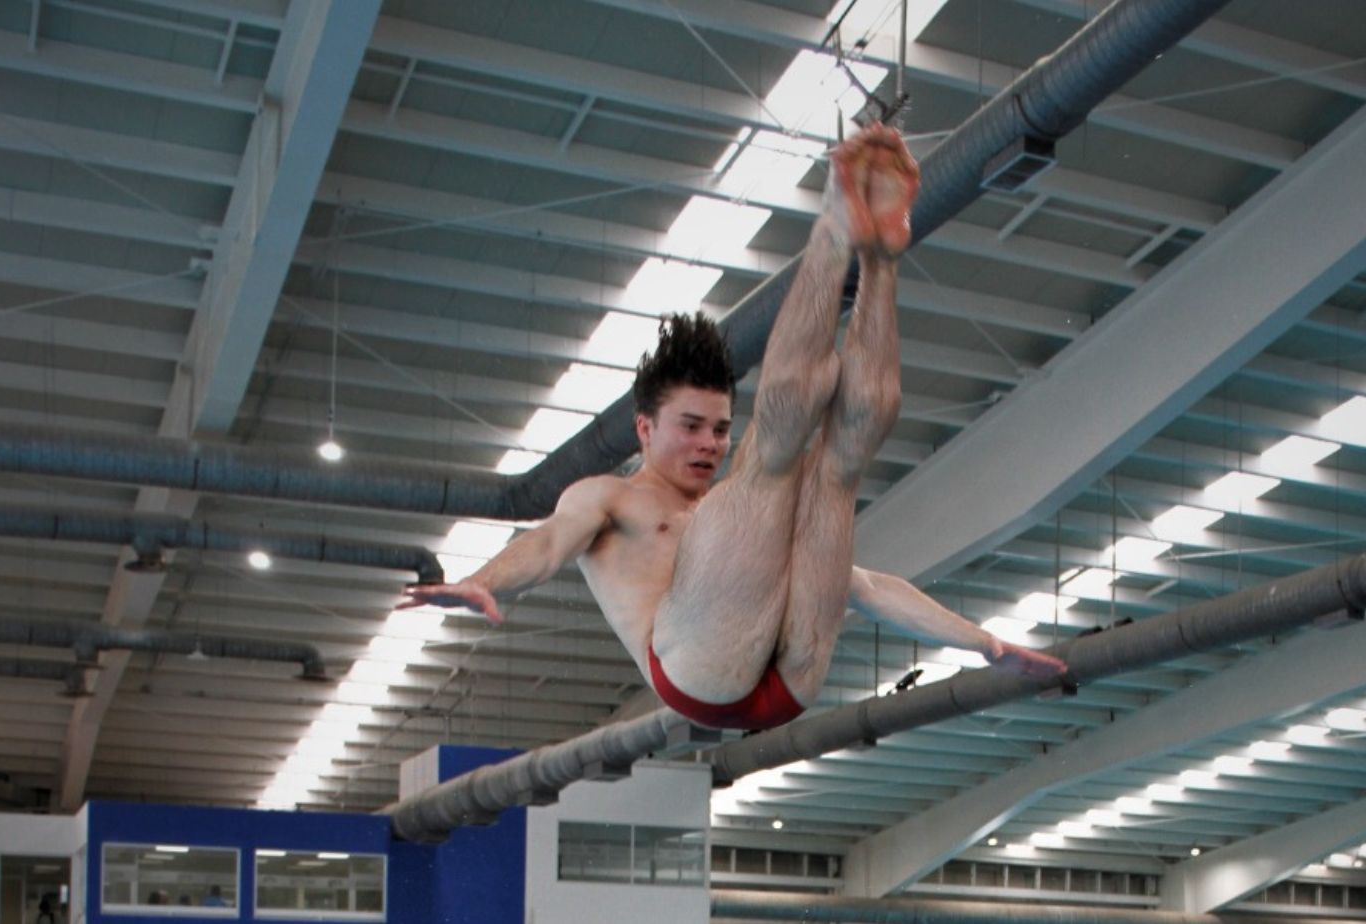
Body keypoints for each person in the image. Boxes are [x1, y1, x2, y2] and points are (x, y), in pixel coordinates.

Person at [401, 125, 1065, 729]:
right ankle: (834, 230)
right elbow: (547, 544)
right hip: (698, 675)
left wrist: (984, 643)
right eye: (691, 427)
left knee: (838, 468)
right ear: (643, 428)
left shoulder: (741, 516)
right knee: (771, 459)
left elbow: (865, 588)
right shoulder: (610, 500)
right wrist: (485, 580)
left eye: (719, 429)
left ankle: (882, 260)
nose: (709, 444)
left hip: (791, 678)